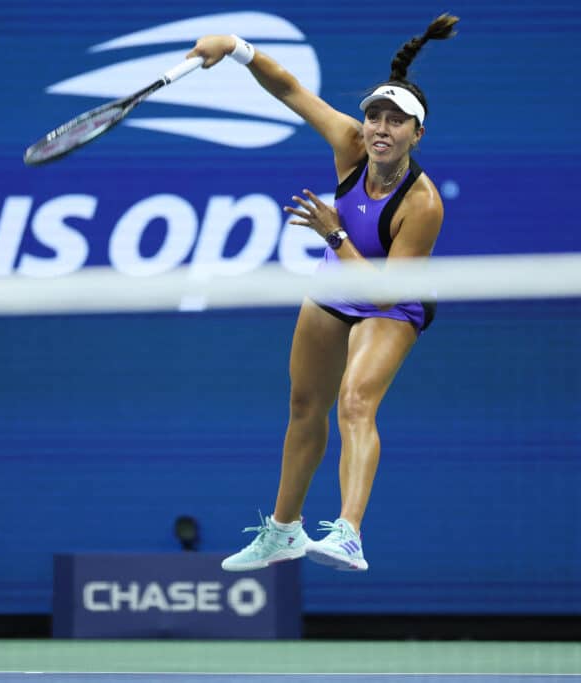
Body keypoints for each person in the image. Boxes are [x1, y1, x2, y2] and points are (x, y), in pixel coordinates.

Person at [187, 14, 458, 572]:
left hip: (390, 298)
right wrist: (234, 47)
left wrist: (334, 233)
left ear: (417, 134)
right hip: (335, 286)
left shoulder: (423, 203)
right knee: (304, 405)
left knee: (355, 403)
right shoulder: (350, 144)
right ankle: (283, 532)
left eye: (396, 121)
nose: (381, 128)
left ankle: (349, 533)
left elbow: (383, 295)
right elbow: (288, 87)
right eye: (374, 116)